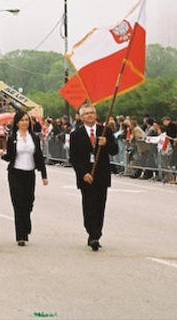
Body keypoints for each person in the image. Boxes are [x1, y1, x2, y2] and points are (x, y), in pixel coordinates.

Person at [69, 103, 118, 251]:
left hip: (101, 174)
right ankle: (92, 233)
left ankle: (97, 234)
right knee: (89, 205)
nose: (90, 115)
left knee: (100, 205)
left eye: (92, 113)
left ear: (96, 115)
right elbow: (74, 157)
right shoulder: (76, 134)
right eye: (87, 113)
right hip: (86, 175)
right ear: (82, 117)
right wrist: (83, 173)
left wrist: (106, 143)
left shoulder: (105, 131)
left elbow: (115, 150)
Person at [0, 112, 48, 246]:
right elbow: (9, 156)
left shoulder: (34, 138)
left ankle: (26, 222)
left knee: (29, 203)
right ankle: (20, 235)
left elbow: (39, 156)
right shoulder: (13, 137)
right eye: (22, 120)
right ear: (17, 123)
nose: (25, 123)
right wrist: (2, 155)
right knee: (18, 203)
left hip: (29, 173)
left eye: (27, 120)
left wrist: (44, 175)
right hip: (15, 173)